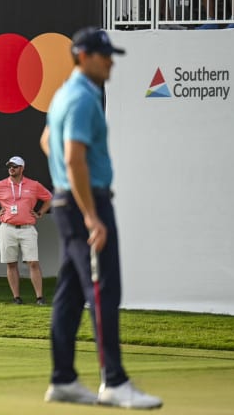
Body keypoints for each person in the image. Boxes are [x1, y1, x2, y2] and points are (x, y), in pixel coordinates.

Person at [40, 27, 162, 409]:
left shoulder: (65, 95)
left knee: (71, 293)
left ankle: (63, 379)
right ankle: (115, 382)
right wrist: (91, 216)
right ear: (83, 56)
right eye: (103, 54)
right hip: (86, 202)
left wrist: (61, 182)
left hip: (69, 201)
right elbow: (74, 156)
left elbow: (48, 142)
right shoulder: (82, 99)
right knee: (103, 290)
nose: (110, 61)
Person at [0, 156, 52, 305]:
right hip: (7, 228)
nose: (11, 168)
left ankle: (39, 297)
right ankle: (16, 298)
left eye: (15, 166)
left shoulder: (33, 185)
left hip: (27, 228)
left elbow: (49, 198)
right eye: (10, 166)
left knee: (33, 263)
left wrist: (40, 213)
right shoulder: (0, 185)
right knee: (11, 263)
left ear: (22, 168)